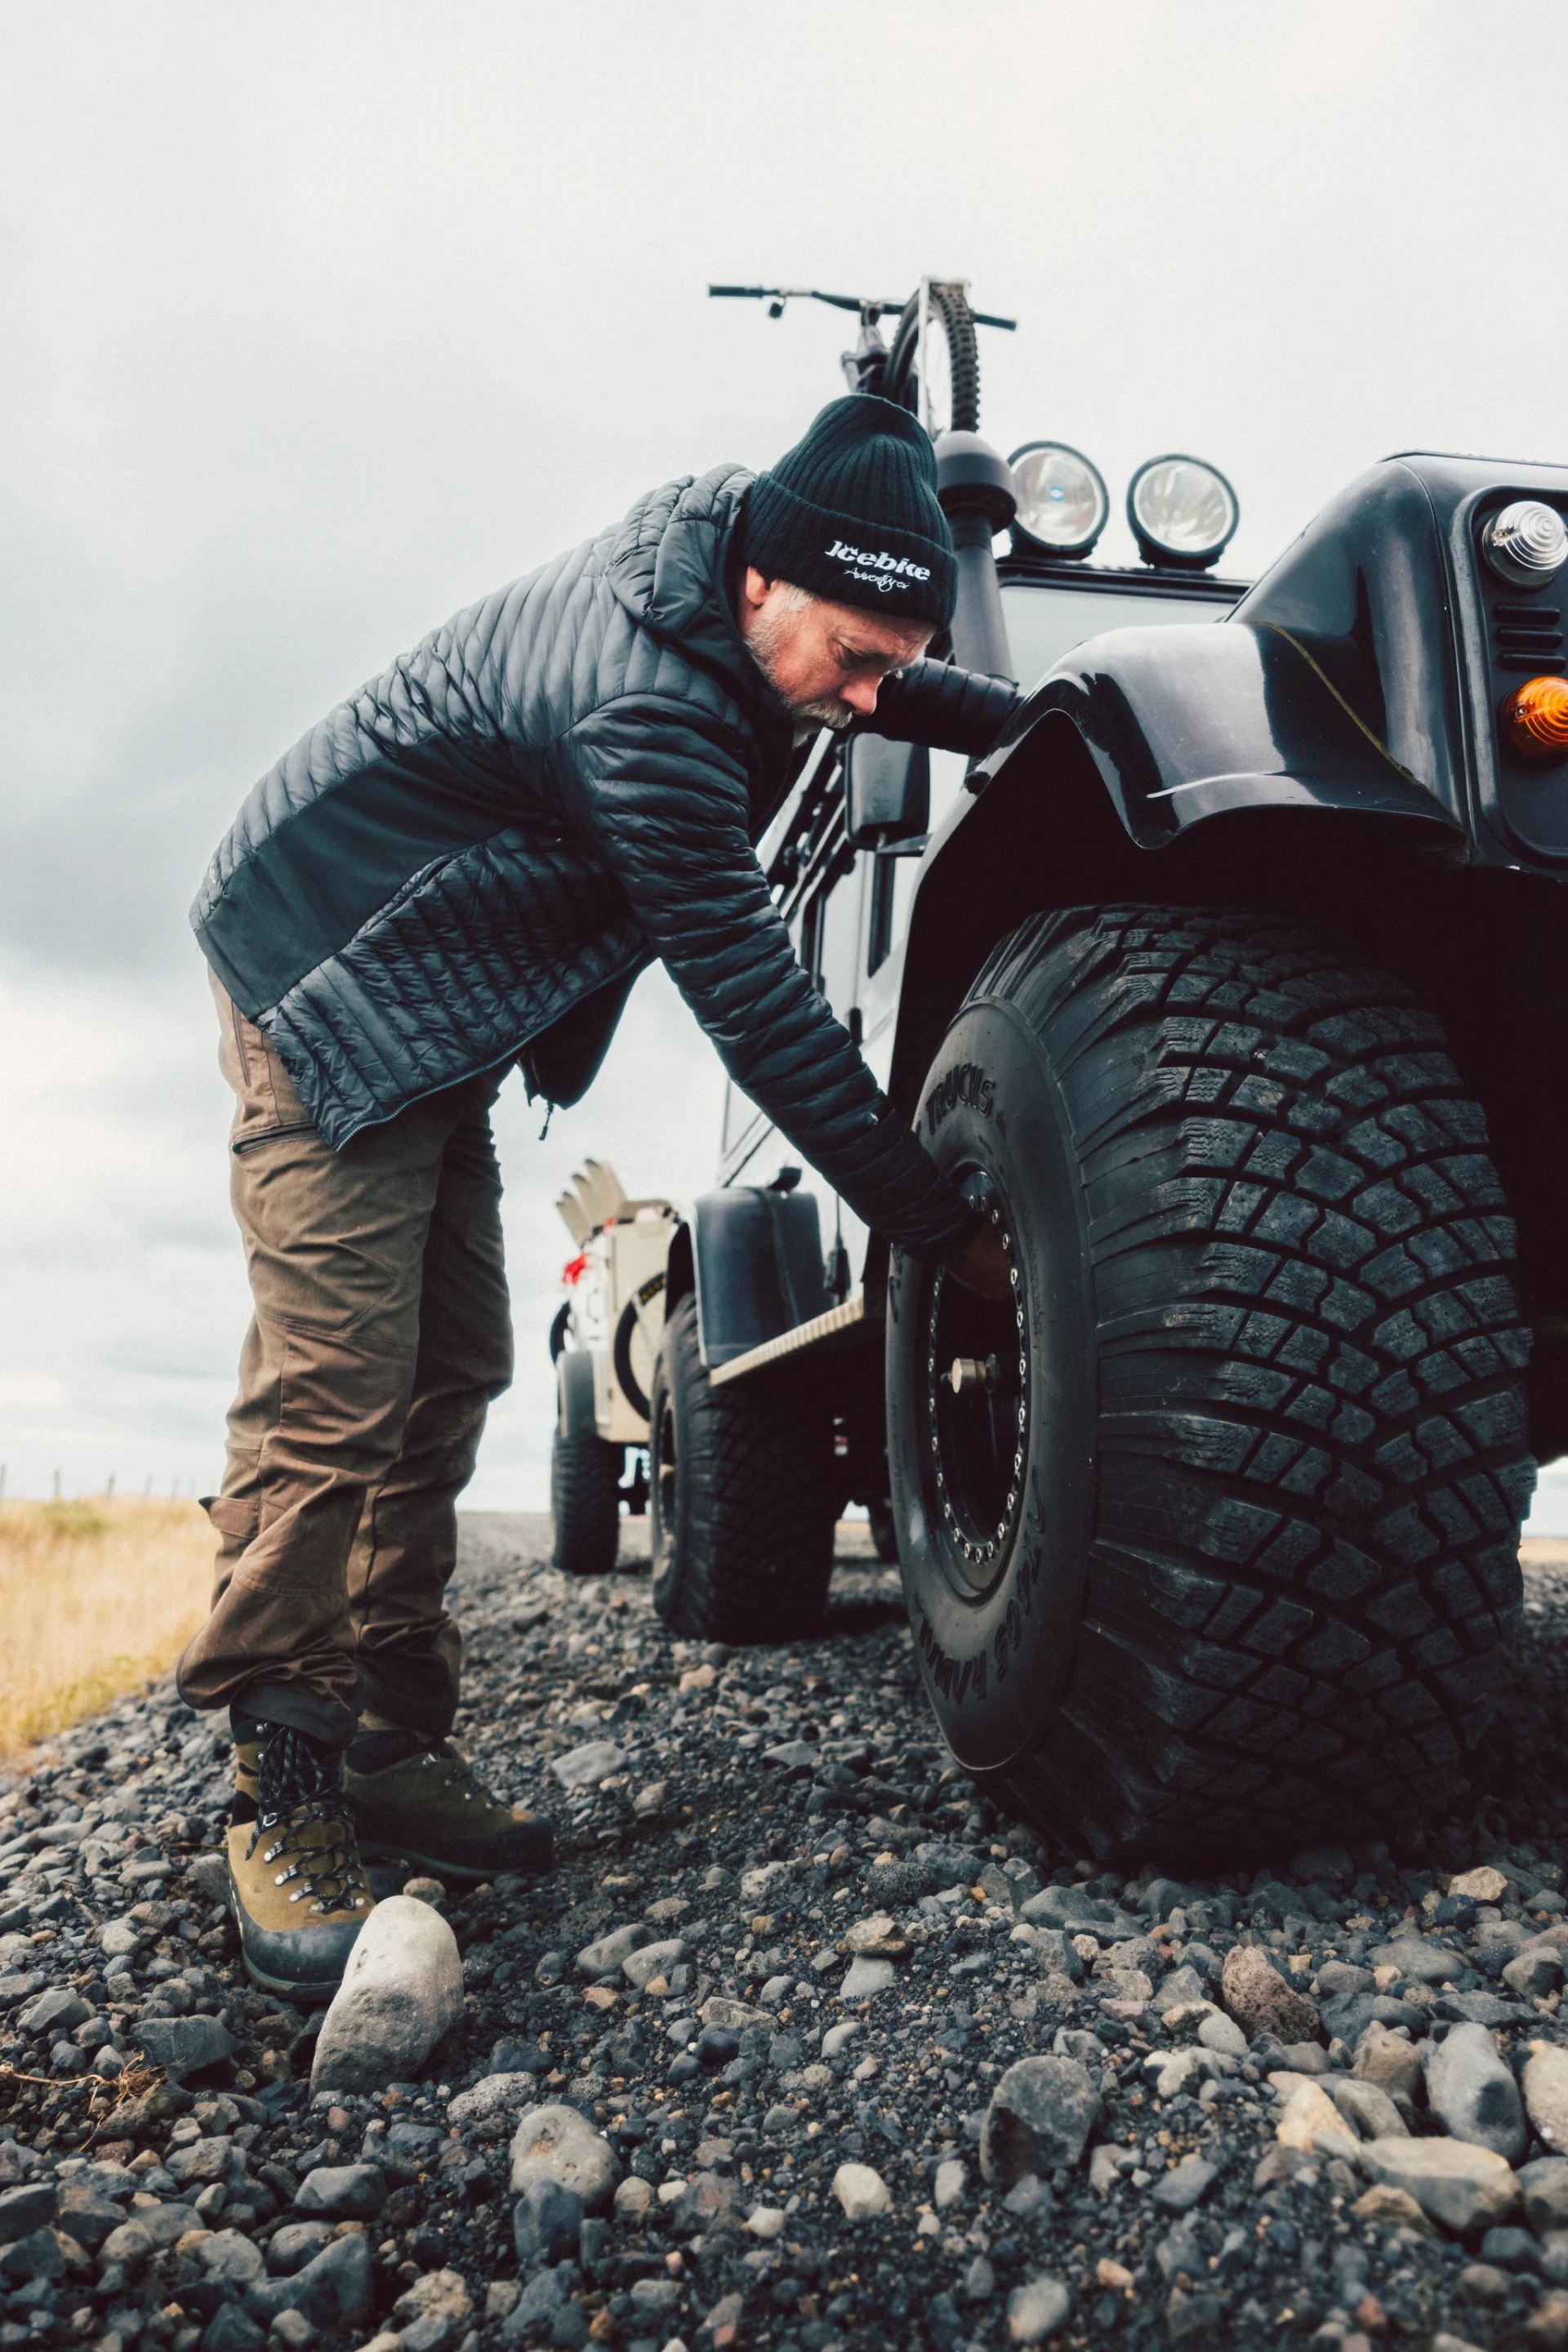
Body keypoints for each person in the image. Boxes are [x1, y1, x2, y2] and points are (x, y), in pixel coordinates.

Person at [183, 393, 1009, 1996]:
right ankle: (277, 1781)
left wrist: (1058, 719)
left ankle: (390, 1744)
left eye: (892, 666)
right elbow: (761, 1011)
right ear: (764, 586)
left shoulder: (749, 576)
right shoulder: (646, 707)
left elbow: (891, 666)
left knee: (453, 1370)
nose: (865, 700)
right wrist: (939, 1229)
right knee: (339, 1393)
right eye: (856, 660)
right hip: (326, 976)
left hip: (436, 1005)